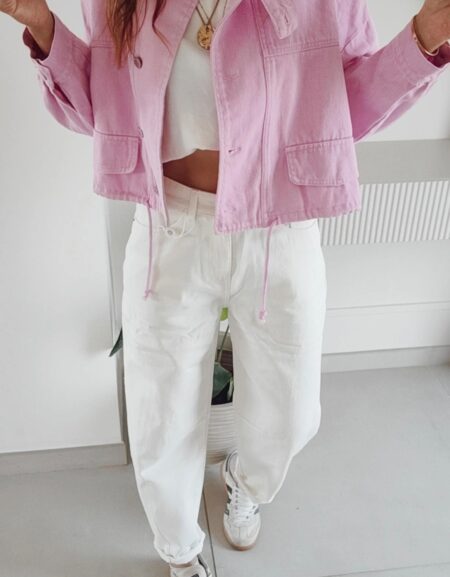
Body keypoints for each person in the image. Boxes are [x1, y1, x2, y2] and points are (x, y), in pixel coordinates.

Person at [3, 0, 449, 575]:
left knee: (292, 414)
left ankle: (245, 481)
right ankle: (180, 552)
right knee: (160, 414)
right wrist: (43, 26)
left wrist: (422, 38)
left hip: (279, 222)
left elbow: (347, 106)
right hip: (169, 227)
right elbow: (103, 109)